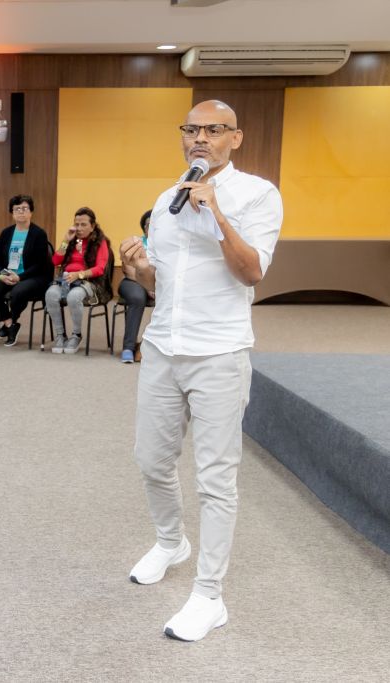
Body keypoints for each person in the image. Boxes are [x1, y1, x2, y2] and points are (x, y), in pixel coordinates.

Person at [121, 100, 282, 642]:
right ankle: (172, 543)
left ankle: (210, 596)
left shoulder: (257, 194)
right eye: (192, 129)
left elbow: (251, 272)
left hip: (219, 354)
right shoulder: (167, 198)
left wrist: (216, 214)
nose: (201, 138)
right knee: (151, 459)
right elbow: (163, 284)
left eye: (214, 130)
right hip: (164, 348)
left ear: (236, 138)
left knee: (216, 479)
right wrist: (141, 271)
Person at [0, 194, 53, 347]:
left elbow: (40, 264)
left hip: (34, 275)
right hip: (8, 273)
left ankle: (12, 320)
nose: (21, 212)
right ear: (12, 213)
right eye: (17, 209)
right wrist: (1, 275)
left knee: (17, 292)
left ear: (31, 212)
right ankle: (10, 324)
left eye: (24, 208)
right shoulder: (6, 233)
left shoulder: (39, 234)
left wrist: (19, 277)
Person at [44, 207, 114, 354]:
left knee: (73, 296)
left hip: (90, 282)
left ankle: (76, 335)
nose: (79, 228)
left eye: (83, 224)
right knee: (50, 294)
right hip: (66, 279)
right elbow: (56, 261)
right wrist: (65, 240)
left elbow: (100, 269)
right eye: (77, 224)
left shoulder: (100, 242)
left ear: (92, 226)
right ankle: (60, 335)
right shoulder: (71, 240)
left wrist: (78, 275)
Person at [118, 210, 153, 363]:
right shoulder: (137, 244)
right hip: (134, 281)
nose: (152, 227)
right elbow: (130, 270)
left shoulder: (168, 245)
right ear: (144, 228)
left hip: (159, 285)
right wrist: (149, 286)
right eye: (149, 225)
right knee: (137, 297)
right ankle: (129, 347)